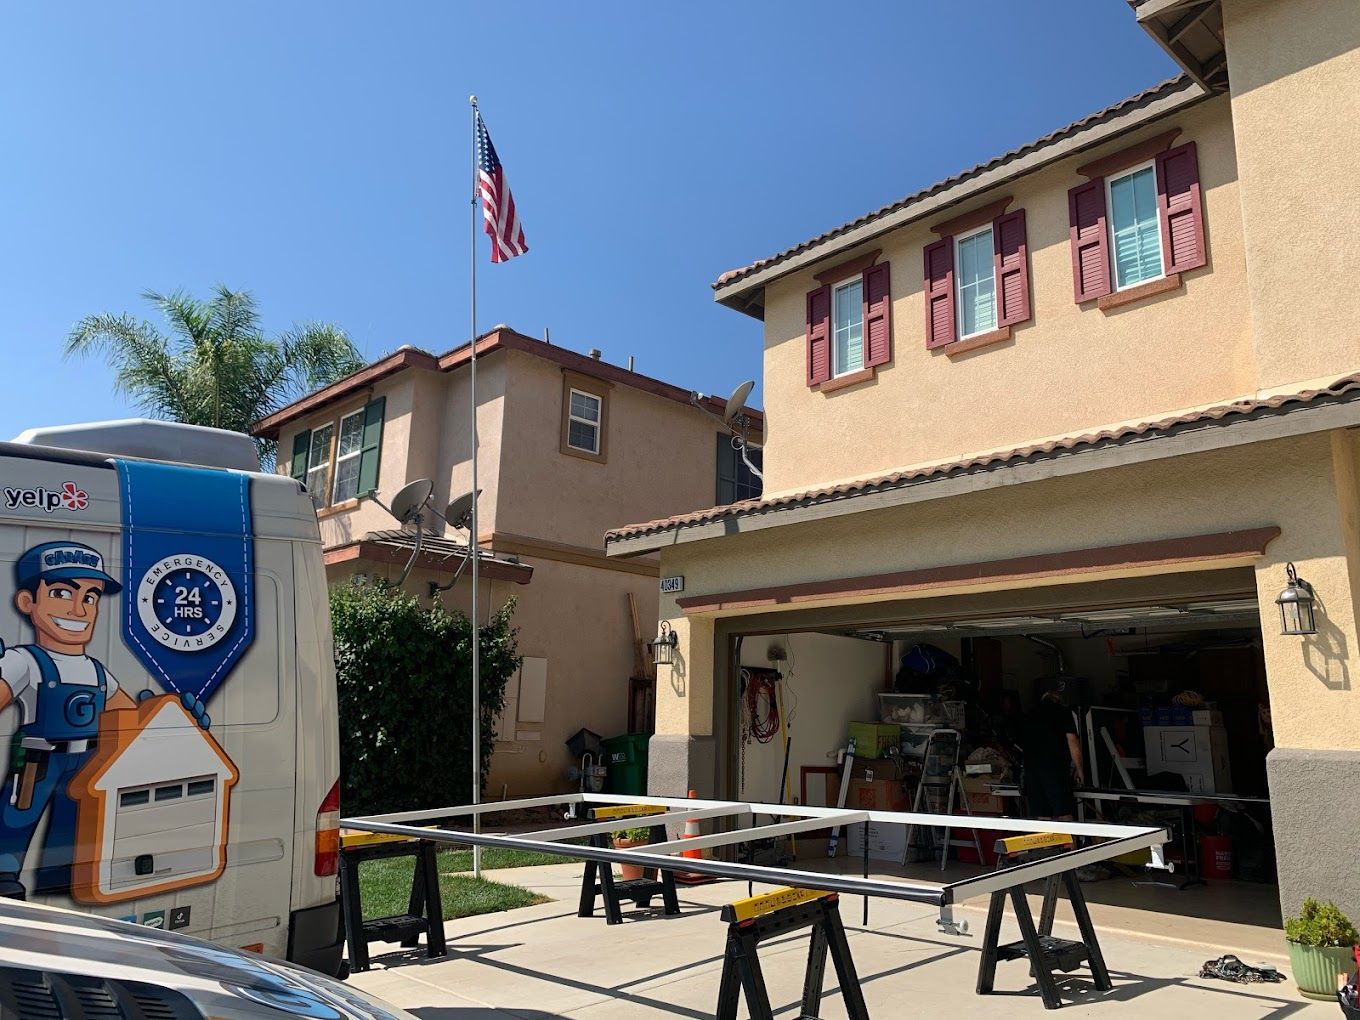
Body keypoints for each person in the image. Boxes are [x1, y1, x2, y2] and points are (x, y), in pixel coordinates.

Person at [1020, 676, 1085, 820]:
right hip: (1055, 770)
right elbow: (1072, 742)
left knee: (1042, 816)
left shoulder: (1030, 714)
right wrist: (1080, 771)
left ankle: (1047, 843)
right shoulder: (1063, 712)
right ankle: (1069, 842)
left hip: (1032, 770)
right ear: (1059, 699)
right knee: (1064, 814)